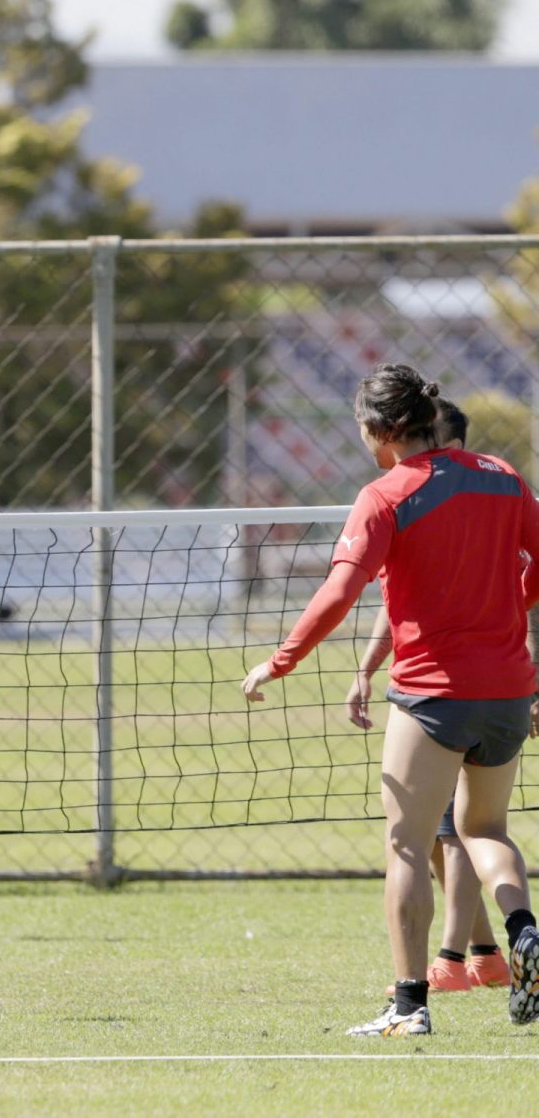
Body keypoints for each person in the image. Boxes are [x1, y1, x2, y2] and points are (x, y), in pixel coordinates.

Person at [243, 363, 539, 1037]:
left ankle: (408, 1006)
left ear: (378, 431)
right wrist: (507, 610)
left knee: (407, 844)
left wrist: (279, 661)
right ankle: (524, 932)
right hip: (508, 688)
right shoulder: (502, 474)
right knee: (487, 830)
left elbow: (339, 593)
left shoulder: (385, 494)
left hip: (435, 692)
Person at [345, 398, 512, 996]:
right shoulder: (442, 497)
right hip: (492, 689)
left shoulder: (470, 497)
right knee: (464, 833)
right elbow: (401, 604)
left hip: (446, 694)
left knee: (446, 834)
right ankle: (492, 950)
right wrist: (366, 667)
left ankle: (440, 966)